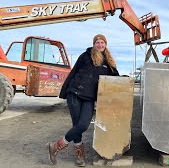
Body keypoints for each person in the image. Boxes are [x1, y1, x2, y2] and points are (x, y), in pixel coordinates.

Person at [47, 34, 119, 167]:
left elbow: (115, 77)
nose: (100, 45)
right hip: (75, 93)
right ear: (94, 44)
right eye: (97, 42)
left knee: (83, 125)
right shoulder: (85, 56)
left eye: (102, 42)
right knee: (77, 125)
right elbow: (73, 72)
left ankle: (56, 145)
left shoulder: (109, 62)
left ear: (105, 44)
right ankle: (79, 155)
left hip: (89, 98)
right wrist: (64, 92)